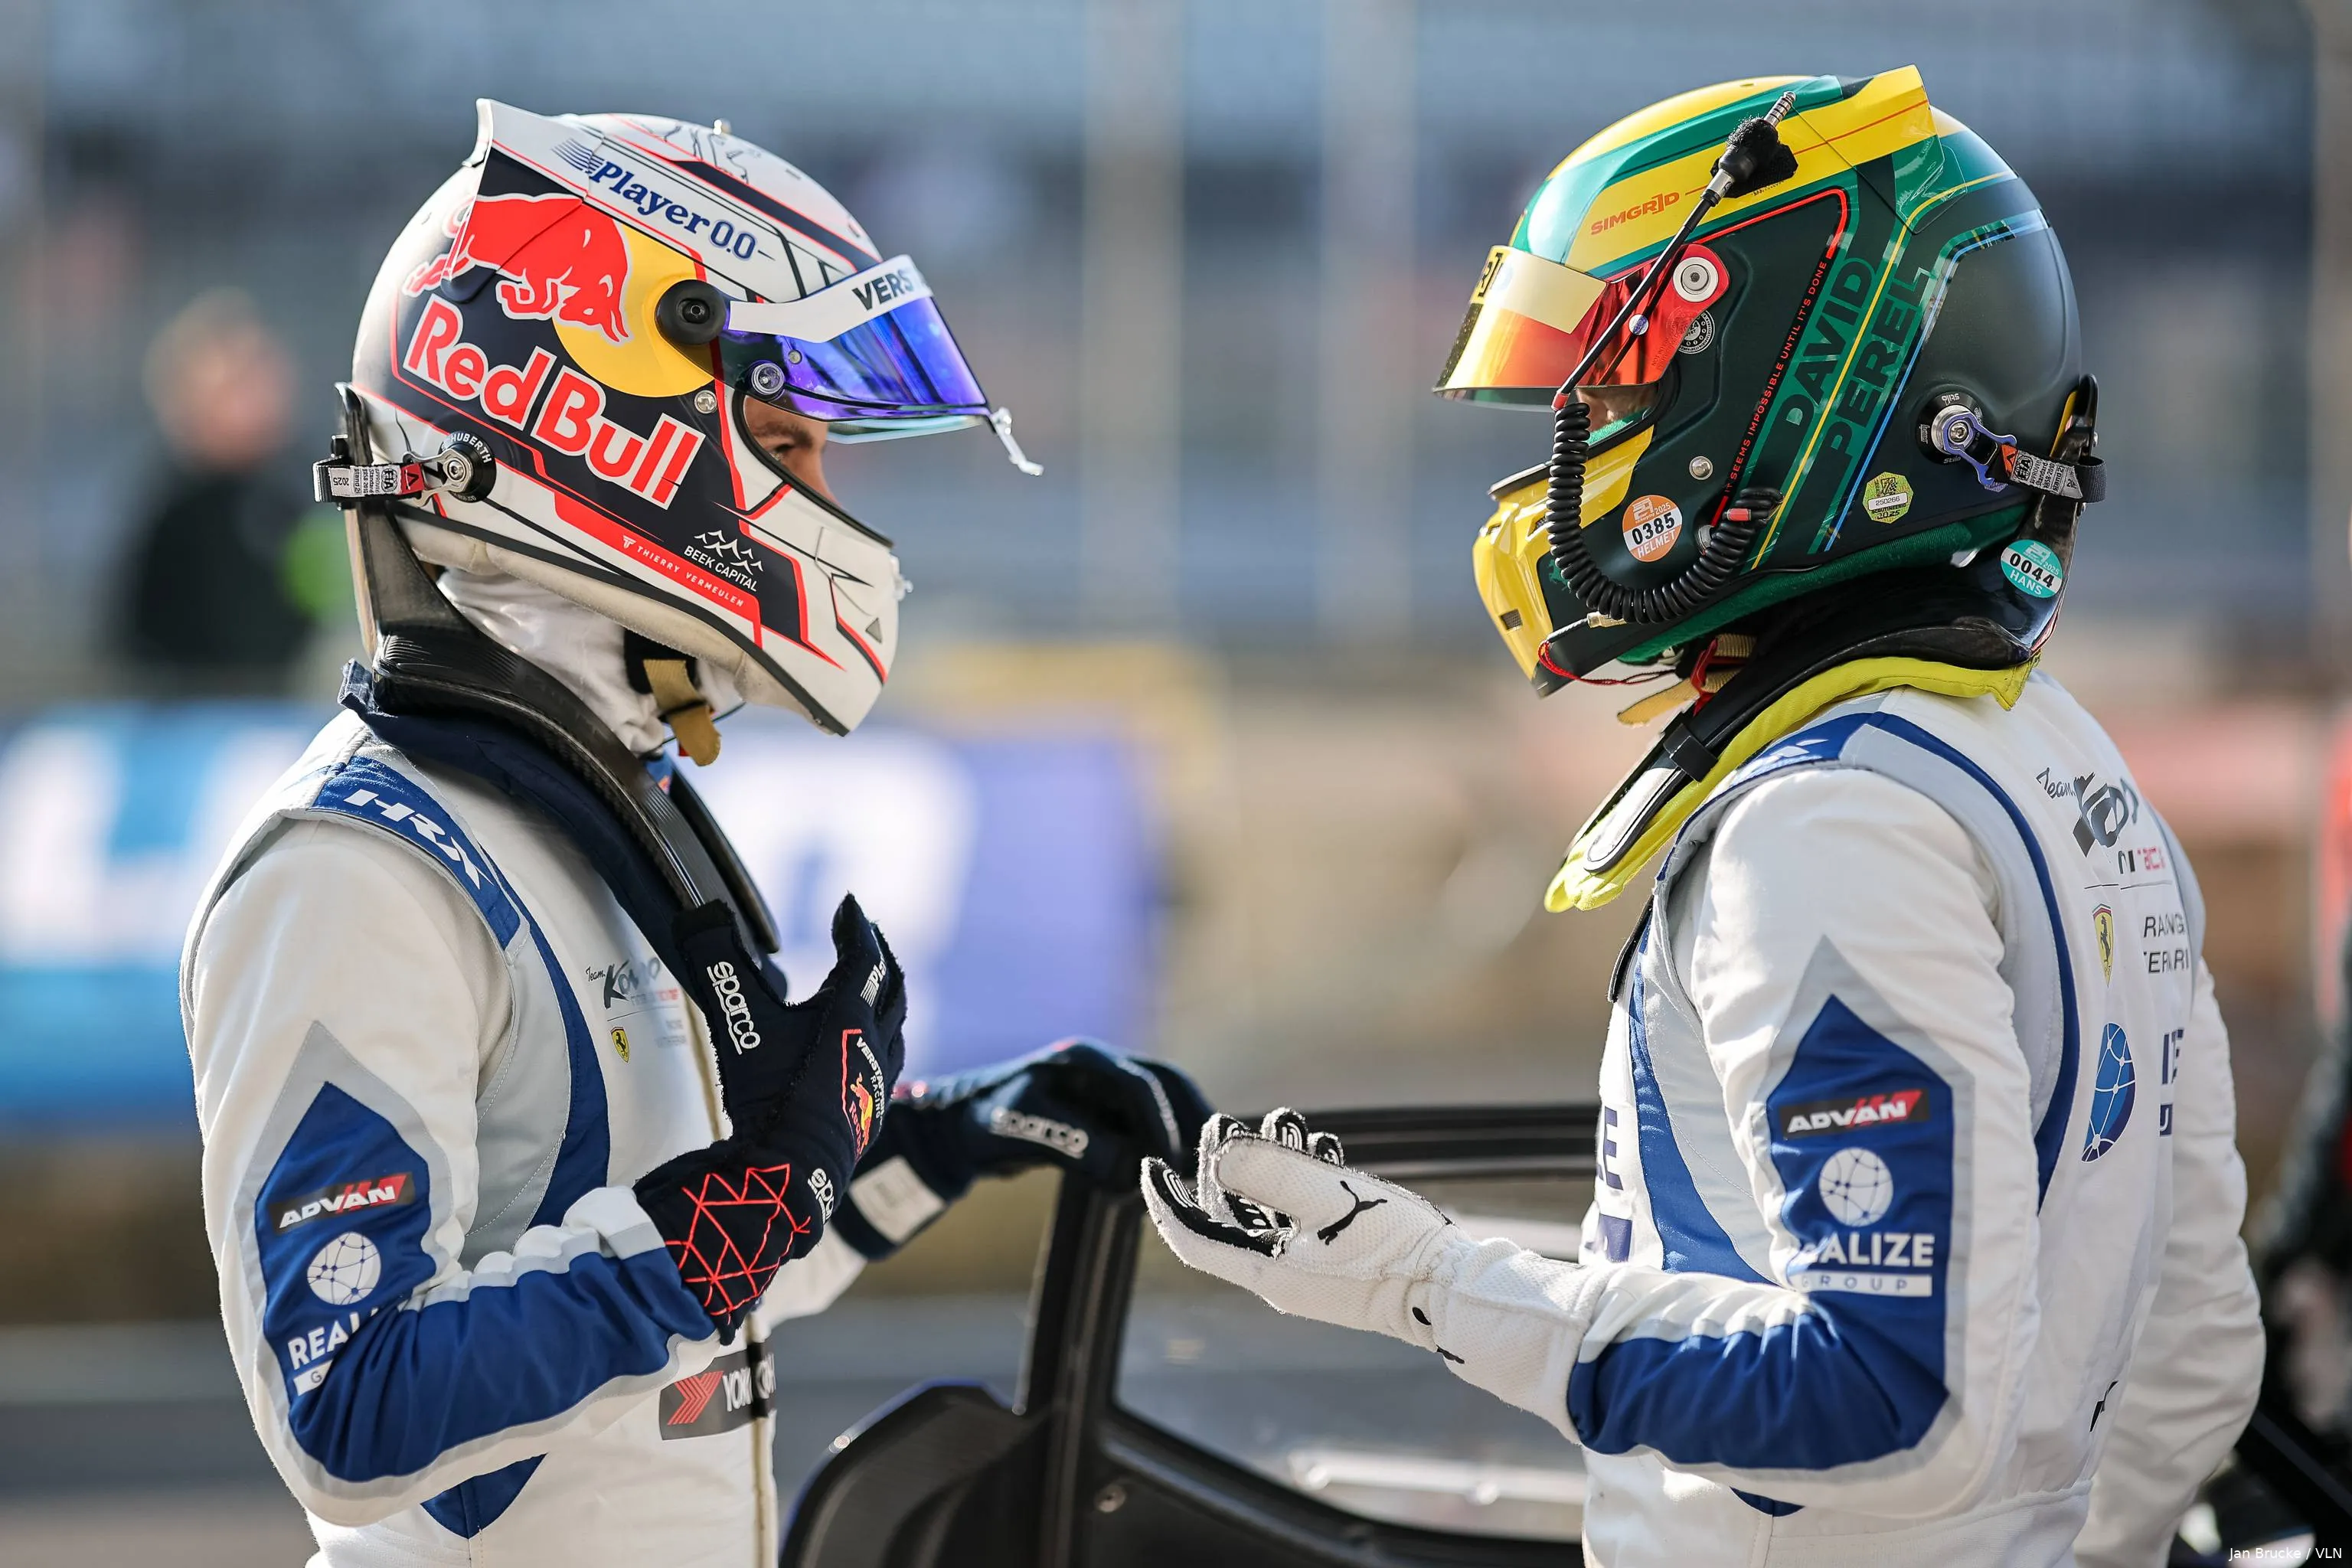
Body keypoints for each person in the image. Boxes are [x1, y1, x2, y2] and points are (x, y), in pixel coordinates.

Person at [1145, 67, 2260, 1566]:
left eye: (1609, 388)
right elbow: (2193, 1343)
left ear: (1783, 396)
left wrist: (1426, 1284)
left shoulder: (1828, 826)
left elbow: (1894, 1394)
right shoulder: (2057, 763)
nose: (1569, 446)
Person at [182, 102, 1204, 1566]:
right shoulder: (362, 866)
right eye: (786, 443)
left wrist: (937, 1145)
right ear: (602, 436)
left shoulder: (611, 807)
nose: (828, 502)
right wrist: (730, 1209)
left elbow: (697, 1296)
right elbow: (348, 1410)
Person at [119, 289, 318, 687]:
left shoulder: (305, 489)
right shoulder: (174, 514)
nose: (262, 394)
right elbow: (141, 649)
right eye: (239, 382)